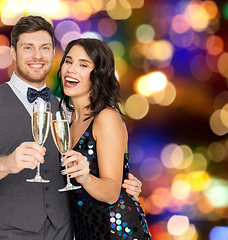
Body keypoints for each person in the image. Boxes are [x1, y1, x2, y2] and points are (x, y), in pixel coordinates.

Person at [0, 15, 142, 240]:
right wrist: (8, 163)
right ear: (13, 53)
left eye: (45, 48)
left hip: (67, 233)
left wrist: (123, 183)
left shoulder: (66, 111)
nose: (37, 55)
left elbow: (99, 163)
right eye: (28, 47)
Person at [57, 38, 151, 240]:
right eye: (68, 61)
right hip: (84, 231)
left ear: (98, 74)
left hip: (115, 230)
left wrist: (85, 177)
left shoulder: (106, 117)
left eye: (83, 65)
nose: (71, 69)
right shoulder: (68, 120)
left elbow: (111, 192)